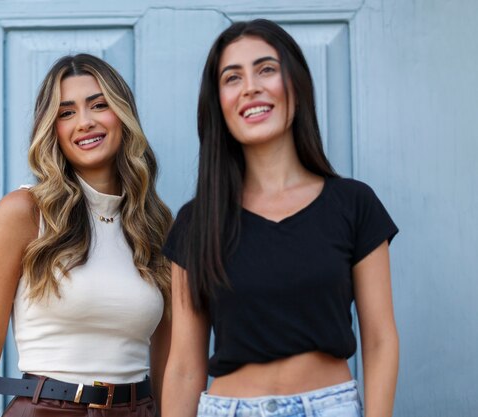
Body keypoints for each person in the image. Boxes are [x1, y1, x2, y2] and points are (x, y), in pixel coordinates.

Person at [162, 19, 399, 417]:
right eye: (232, 77)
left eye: (266, 69)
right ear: (218, 102)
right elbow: (185, 367)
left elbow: (380, 340)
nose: (251, 86)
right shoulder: (195, 223)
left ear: (296, 84)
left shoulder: (354, 204)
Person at [0, 54, 172, 417]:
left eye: (99, 105)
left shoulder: (154, 225)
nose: (85, 123)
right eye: (66, 112)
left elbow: (171, 367)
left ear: (122, 116)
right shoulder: (24, 212)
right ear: (52, 128)